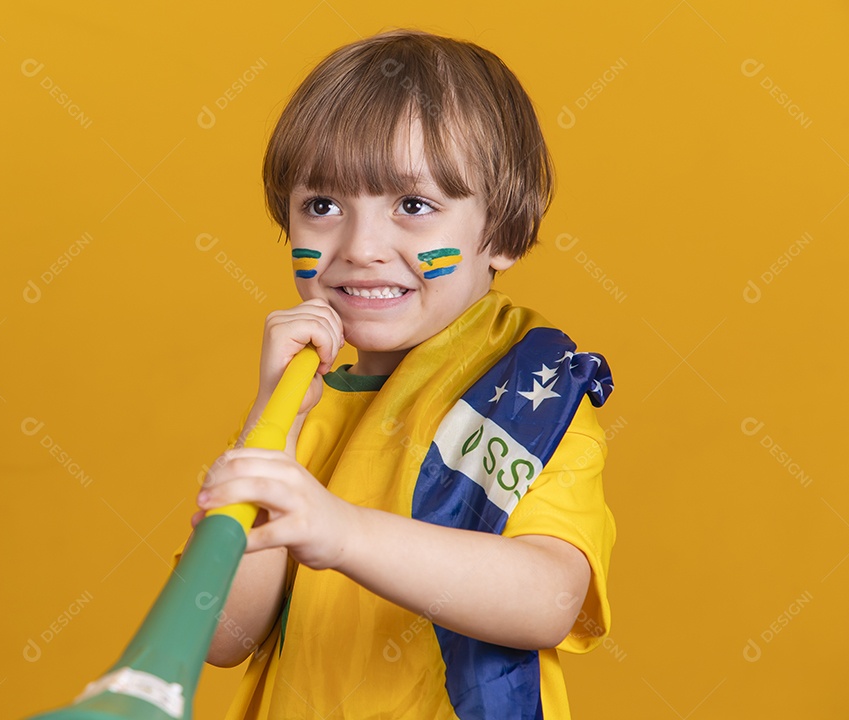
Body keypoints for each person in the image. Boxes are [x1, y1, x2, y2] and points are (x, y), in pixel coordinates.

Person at [178, 27, 616, 719]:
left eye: (413, 206)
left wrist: (342, 533)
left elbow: (550, 599)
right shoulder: (302, 403)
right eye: (323, 206)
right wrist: (271, 427)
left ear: (501, 232)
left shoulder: (531, 393)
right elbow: (222, 635)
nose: (361, 247)